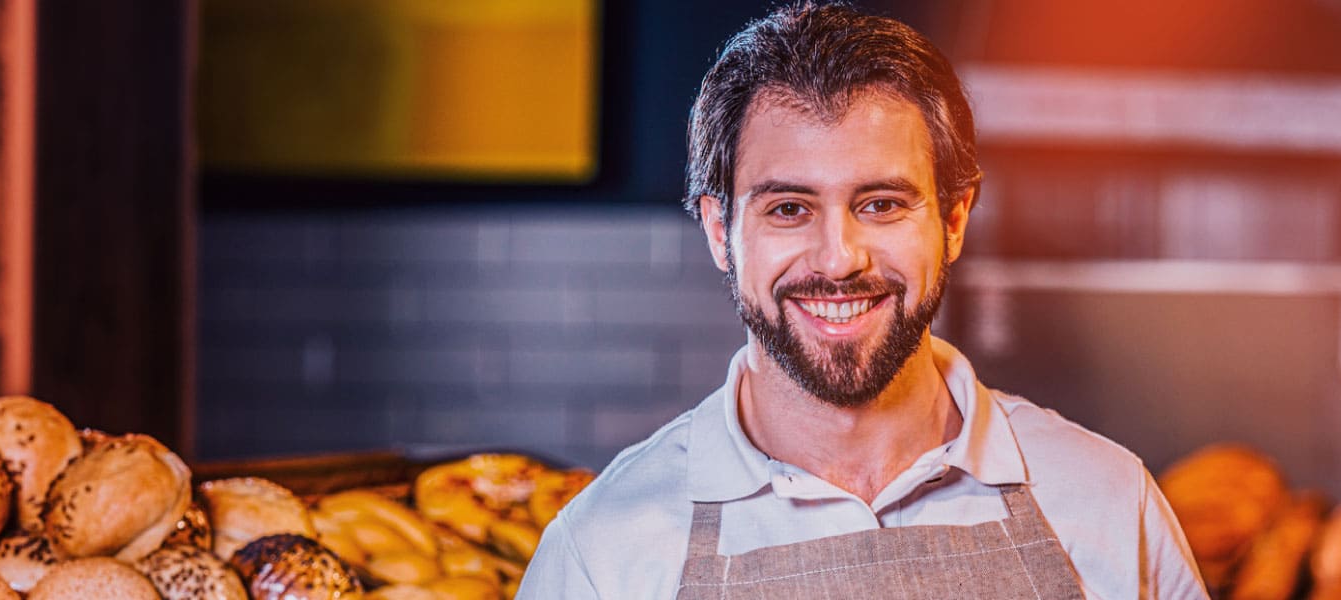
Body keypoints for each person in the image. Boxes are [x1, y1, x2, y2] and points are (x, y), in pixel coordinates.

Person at [518, 3, 1208, 598]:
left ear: (955, 220)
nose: (839, 259)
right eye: (789, 208)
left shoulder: (1109, 502)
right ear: (720, 231)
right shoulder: (603, 550)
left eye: (881, 204)